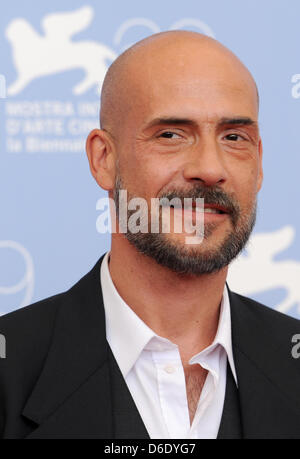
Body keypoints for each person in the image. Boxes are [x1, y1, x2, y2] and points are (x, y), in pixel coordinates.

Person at [0, 31, 299, 440]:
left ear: (260, 163)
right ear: (104, 159)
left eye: (233, 137)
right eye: (171, 135)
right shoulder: (10, 368)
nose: (210, 168)